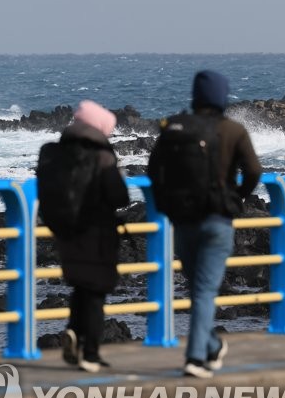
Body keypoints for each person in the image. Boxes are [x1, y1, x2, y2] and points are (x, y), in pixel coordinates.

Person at [149, 70, 262, 379]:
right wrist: (237, 196)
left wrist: (165, 206)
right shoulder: (233, 130)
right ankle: (196, 358)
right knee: (204, 291)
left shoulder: (176, 128)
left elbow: (153, 169)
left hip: (183, 221)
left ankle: (211, 346)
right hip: (217, 221)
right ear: (222, 96)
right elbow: (253, 170)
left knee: (197, 288)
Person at [54, 100, 131, 373]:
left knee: (81, 286)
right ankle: (90, 353)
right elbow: (120, 196)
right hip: (97, 233)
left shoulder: (60, 150)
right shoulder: (101, 154)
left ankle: (74, 330)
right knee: (96, 291)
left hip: (65, 231)